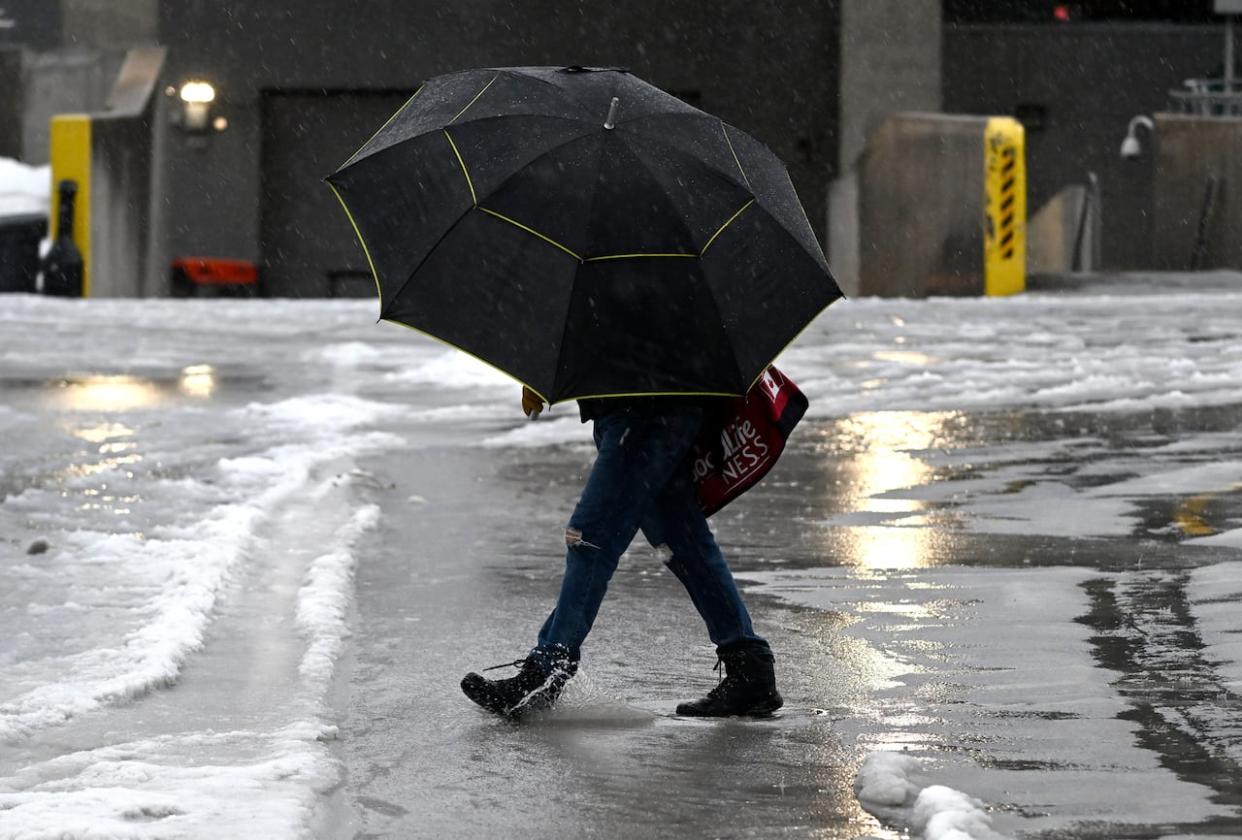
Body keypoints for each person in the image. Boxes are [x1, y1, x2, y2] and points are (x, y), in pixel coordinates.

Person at [460, 386, 782, 719]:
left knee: (590, 539)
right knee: (681, 541)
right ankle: (749, 668)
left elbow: (616, 337)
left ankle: (545, 673)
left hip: (644, 409)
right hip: (648, 406)